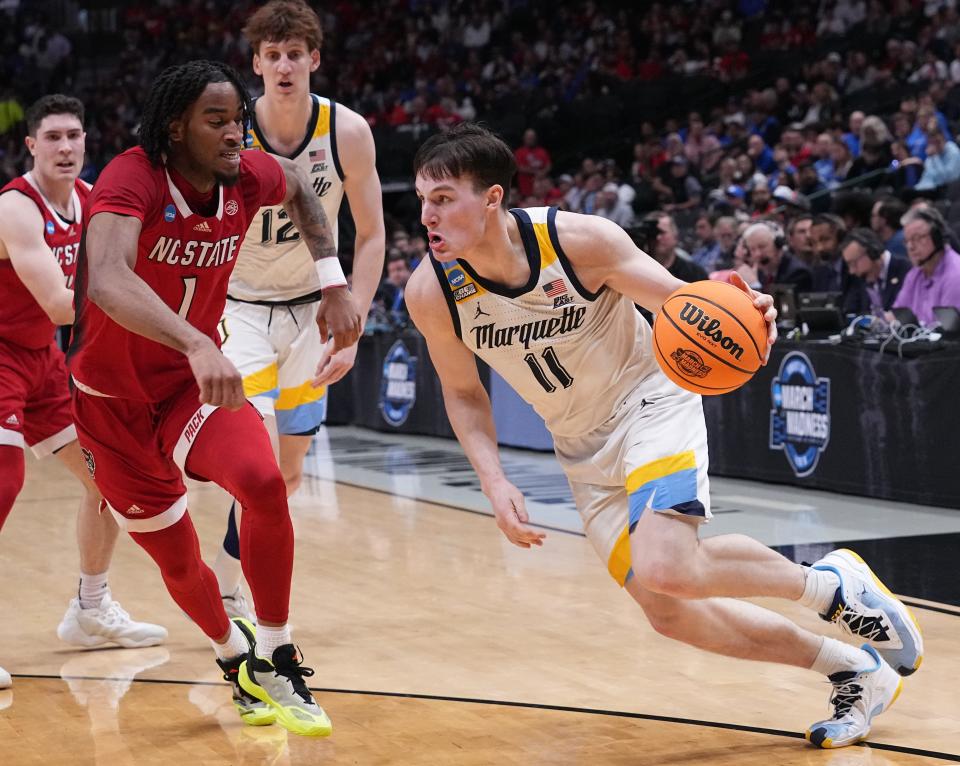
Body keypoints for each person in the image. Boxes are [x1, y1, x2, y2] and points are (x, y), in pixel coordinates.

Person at [406, 123, 922, 749]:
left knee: (666, 563)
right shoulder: (432, 292)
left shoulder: (579, 241)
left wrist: (749, 307)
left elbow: (687, 305)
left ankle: (831, 588)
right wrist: (494, 480)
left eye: (442, 199)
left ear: (490, 198)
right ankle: (853, 670)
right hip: (580, 447)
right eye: (421, 198)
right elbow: (463, 393)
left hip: (648, 400)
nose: (426, 215)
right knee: (669, 611)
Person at [66, 60, 362, 736]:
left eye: (238, 119)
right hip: (111, 402)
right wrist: (197, 341)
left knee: (262, 481)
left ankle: (279, 650)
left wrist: (333, 281)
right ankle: (235, 658)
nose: (237, 133)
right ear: (177, 128)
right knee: (177, 558)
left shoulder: (249, 174)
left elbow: (300, 189)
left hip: (188, 387)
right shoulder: (131, 178)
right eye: (218, 121)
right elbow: (108, 277)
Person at [212, 0, 384, 619]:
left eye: (294, 55)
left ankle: (237, 573)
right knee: (252, 464)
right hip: (243, 309)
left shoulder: (347, 132)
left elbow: (371, 233)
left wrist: (354, 324)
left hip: (315, 309)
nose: (284, 66)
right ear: (256, 64)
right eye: (272, 55)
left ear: (314, 59)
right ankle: (235, 598)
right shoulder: (230, 131)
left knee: (286, 475)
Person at [0, 95, 167, 688]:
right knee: (4, 480)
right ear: (31, 146)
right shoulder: (16, 209)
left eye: (74, 136)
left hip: (43, 360)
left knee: (108, 477)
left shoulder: (95, 199)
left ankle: (90, 611)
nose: (65, 147)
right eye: (52, 138)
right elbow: (58, 303)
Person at [892, 206, 960, 324]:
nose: (910, 247)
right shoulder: (914, 274)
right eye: (907, 241)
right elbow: (897, 316)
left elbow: (949, 333)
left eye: (917, 238)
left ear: (937, 237)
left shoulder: (956, 274)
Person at [839, 229, 910, 315]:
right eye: (848, 265)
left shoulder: (907, 271)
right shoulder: (859, 278)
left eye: (854, 263)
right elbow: (850, 313)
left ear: (873, 252)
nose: (852, 271)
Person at [740, 220, 812, 291]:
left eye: (762, 247)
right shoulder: (759, 272)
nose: (758, 254)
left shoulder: (797, 273)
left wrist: (755, 286)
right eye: (752, 249)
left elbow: (780, 302)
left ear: (778, 244)